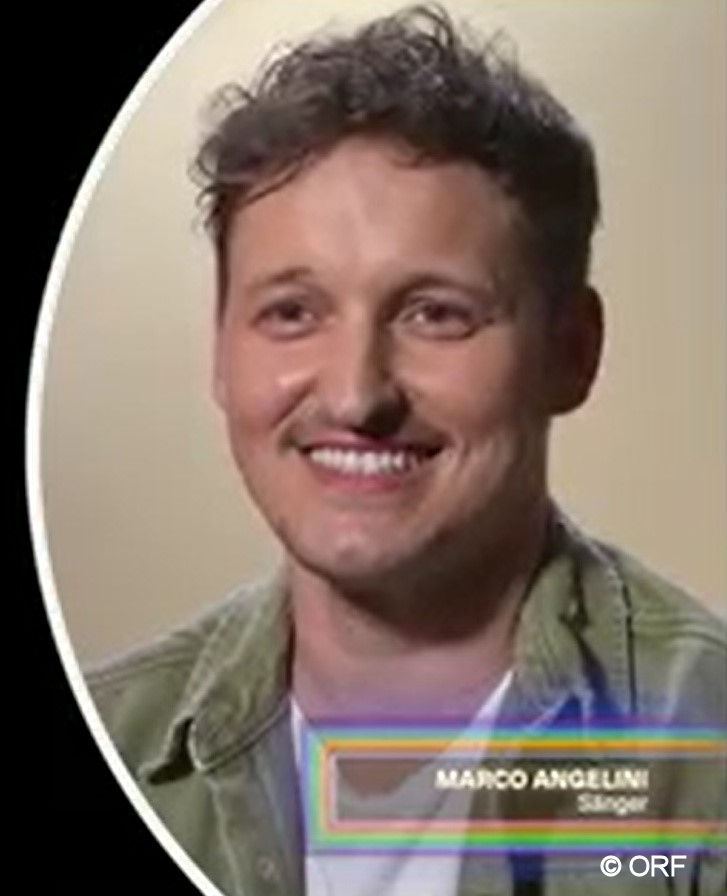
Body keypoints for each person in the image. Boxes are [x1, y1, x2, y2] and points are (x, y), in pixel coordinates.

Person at [87, 6, 726, 895]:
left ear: (571, 353)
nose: (356, 396)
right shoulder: (115, 739)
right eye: (291, 313)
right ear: (220, 352)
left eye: (435, 314)